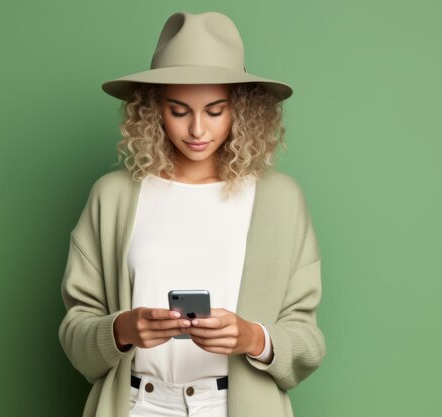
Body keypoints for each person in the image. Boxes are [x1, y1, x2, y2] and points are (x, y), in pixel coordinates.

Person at [58, 11, 326, 417]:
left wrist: (252, 337)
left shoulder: (280, 200)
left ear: (242, 111)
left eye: (215, 111)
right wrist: (124, 330)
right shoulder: (113, 196)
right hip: (136, 404)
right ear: (152, 110)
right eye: (179, 110)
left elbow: (308, 340)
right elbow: (76, 334)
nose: (197, 129)